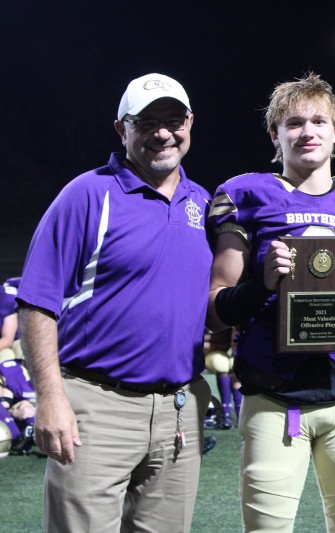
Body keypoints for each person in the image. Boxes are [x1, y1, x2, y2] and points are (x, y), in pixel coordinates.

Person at [206, 72, 335, 532]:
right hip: (274, 396)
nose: (307, 131)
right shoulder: (247, 195)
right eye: (293, 122)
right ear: (275, 134)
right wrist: (262, 284)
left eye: (319, 121)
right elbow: (214, 306)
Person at [16, 73, 212, 532]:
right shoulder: (86, 194)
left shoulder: (204, 204)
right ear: (122, 130)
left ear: (190, 124)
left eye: (173, 119)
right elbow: (37, 302)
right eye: (146, 122)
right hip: (96, 407)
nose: (162, 133)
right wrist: (50, 397)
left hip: (179, 410)